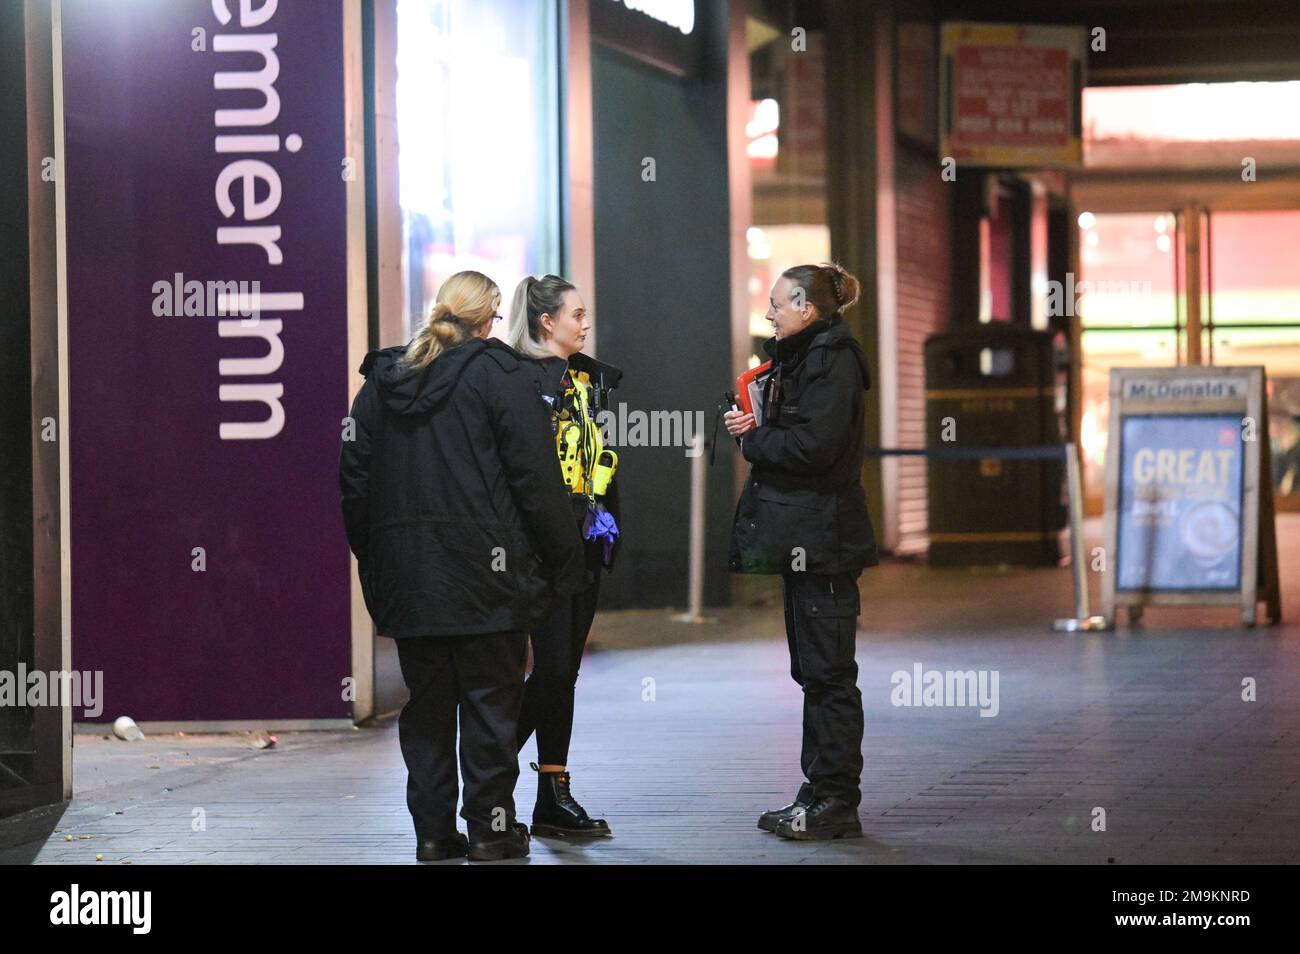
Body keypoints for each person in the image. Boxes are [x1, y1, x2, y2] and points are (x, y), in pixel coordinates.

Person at [339, 270, 585, 862]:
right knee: (490, 707)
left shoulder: (382, 384)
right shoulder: (500, 377)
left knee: (426, 709)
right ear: (486, 318)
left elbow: (354, 482)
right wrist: (565, 562)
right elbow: (535, 480)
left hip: (412, 579)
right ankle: (492, 832)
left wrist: (376, 558)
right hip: (489, 579)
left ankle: (433, 835)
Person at [724, 262, 879, 841]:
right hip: (806, 542)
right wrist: (757, 425)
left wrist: (753, 439)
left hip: (825, 543)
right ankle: (817, 792)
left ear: (806, 309)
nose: (769, 314)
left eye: (777, 305)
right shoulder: (802, 359)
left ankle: (835, 800)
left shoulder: (831, 361)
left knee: (829, 673)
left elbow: (814, 447)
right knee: (814, 670)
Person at [505, 274, 623, 837]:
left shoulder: (580, 382)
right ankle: (490, 763)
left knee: (565, 673)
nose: (586, 322)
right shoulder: (524, 384)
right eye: (577, 314)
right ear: (546, 322)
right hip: (544, 548)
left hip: (584, 540)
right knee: (551, 667)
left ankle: (553, 792)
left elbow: (595, 460)